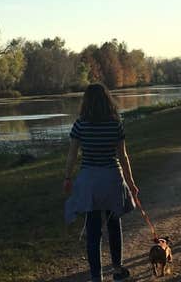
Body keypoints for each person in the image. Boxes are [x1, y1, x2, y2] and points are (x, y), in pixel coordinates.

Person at [64, 83, 138, 282]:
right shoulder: (115, 123)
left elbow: (72, 155)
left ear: (86, 101)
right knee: (114, 224)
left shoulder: (80, 124)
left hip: (89, 180)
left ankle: (96, 276)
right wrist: (131, 182)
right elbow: (123, 156)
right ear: (107, 100)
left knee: (93, 229)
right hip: (112, 178)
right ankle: (117, 268)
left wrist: (68, 177)